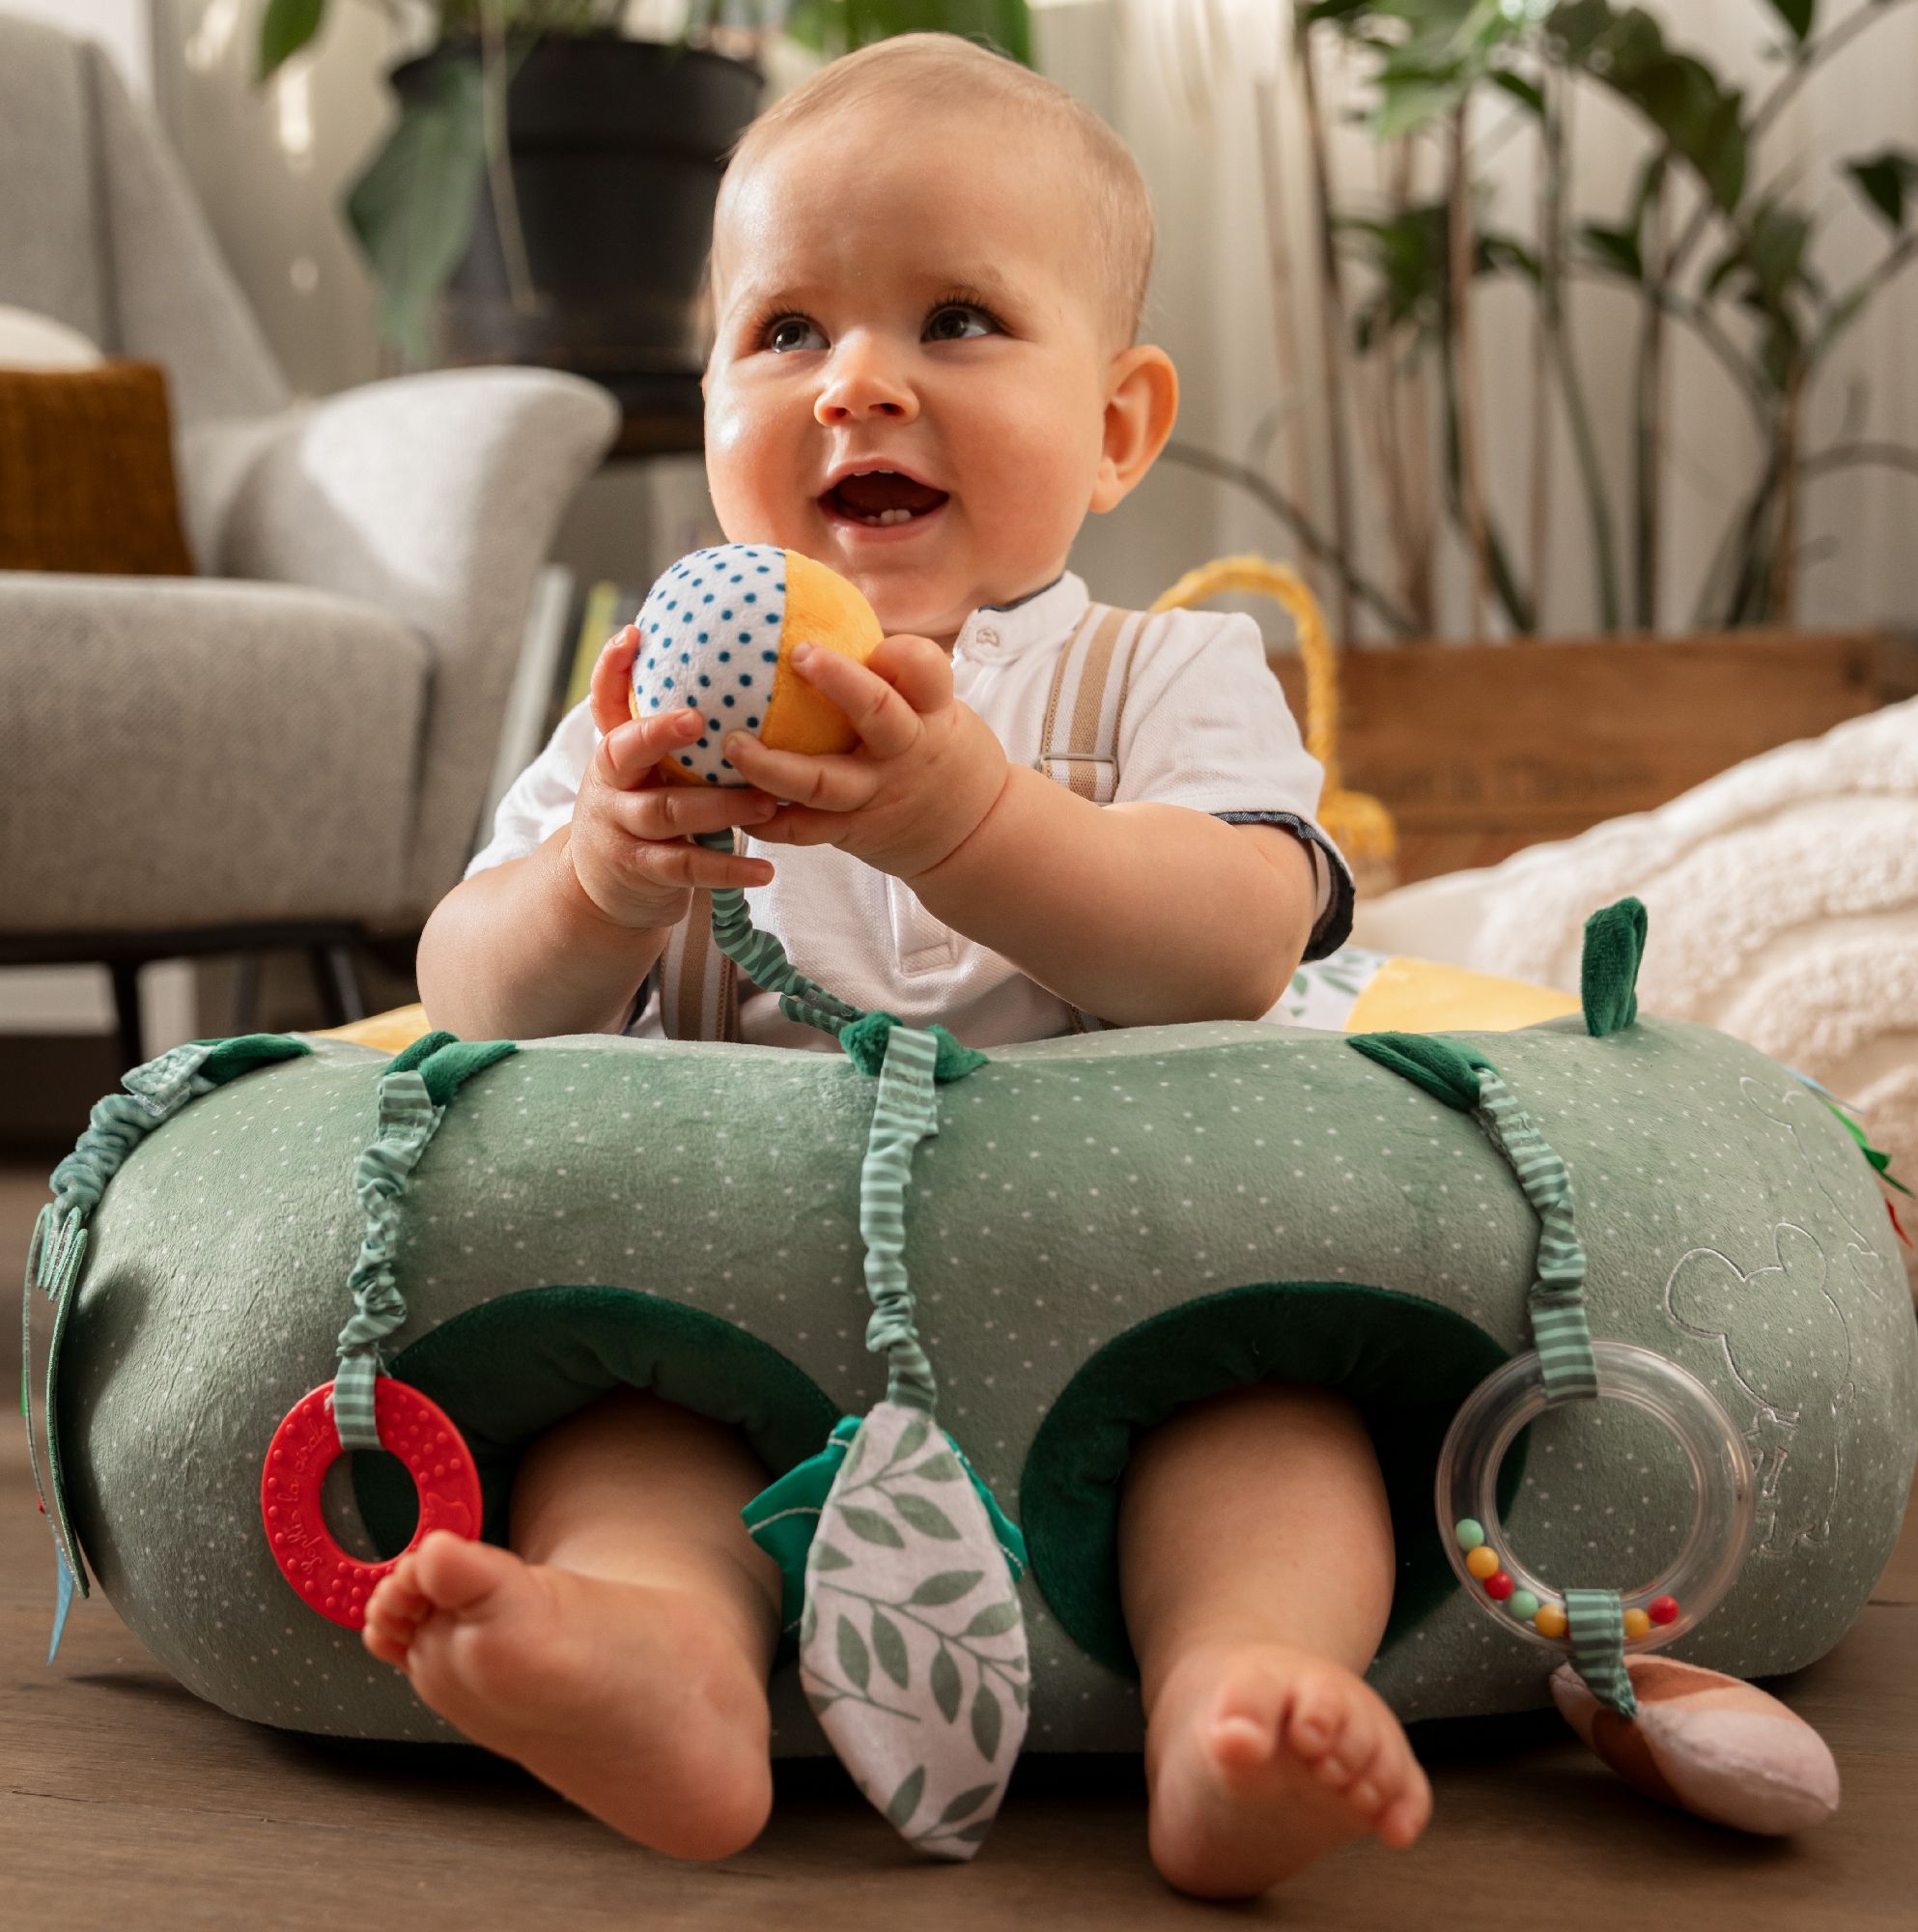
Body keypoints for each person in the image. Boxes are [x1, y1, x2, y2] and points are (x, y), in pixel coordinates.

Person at [362, 33, 1428, 1899]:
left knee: (1277, 1441)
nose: (856, 381)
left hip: (1135, 1301)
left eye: (953, 319)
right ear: (707, 410)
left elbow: (1241, 939)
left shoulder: (1160, 678)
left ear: (1115, 424)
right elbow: (464, 986)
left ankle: (1241, 1696)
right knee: (627, 1443)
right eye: (784, 333)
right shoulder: (646, 712)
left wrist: (964, 823)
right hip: (754, 1315)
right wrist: (601, 880)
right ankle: (663, 1658)